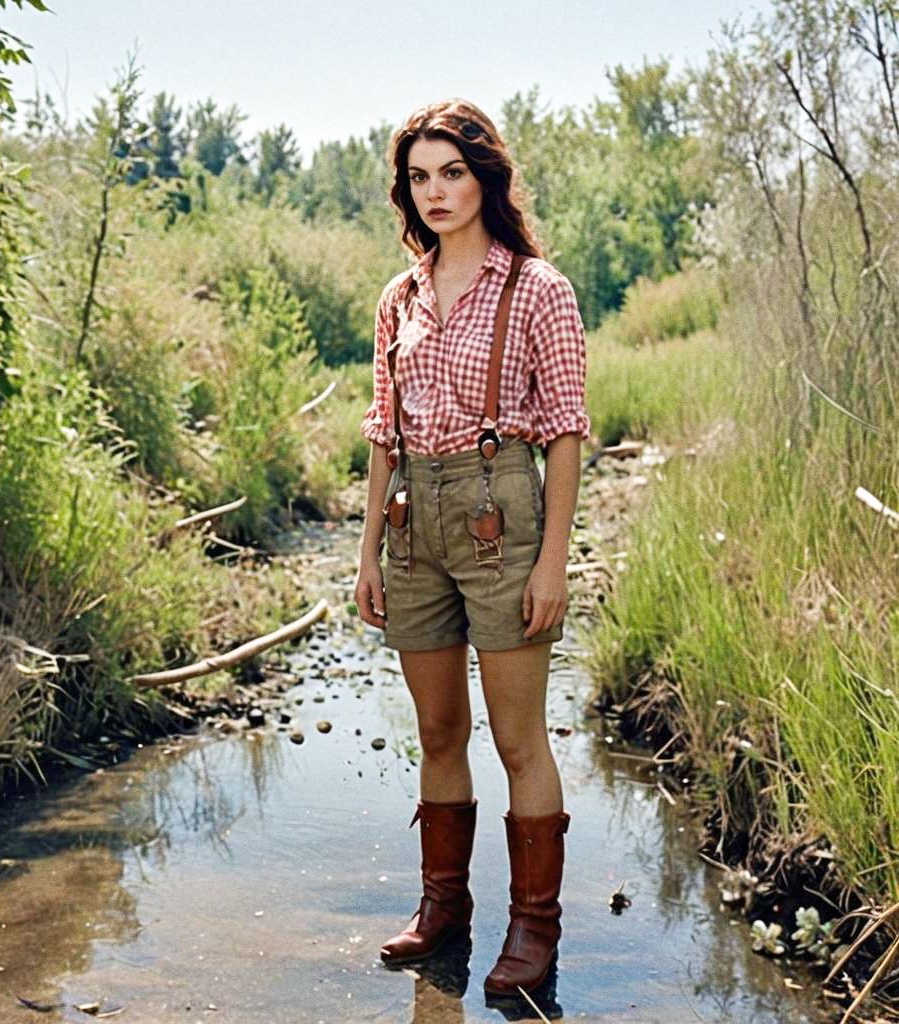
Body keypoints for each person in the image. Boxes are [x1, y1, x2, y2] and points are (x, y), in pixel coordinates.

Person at [353, 98, 590, 998]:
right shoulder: (398, 296)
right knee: (439, 729)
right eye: (420, 176)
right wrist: (369, 549)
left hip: (502, 516)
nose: (436, 191)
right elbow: (384, 431)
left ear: (484, 177)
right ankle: (443, 907)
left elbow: (565, 432)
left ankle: (533, 931)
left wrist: (553, 561)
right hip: (413, 521)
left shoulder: (538, 288)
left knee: (519, 737)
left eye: (452, 171)